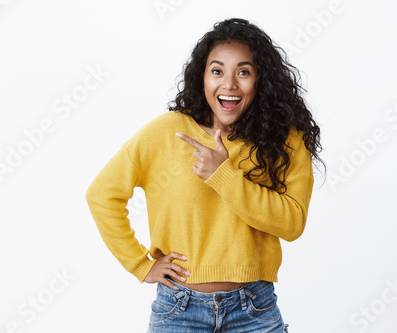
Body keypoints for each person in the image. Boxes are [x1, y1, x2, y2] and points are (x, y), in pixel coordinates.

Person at [85, 18, 325, 332]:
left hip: (253, 309)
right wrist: (140, 264)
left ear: (260, 80)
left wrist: (222, 174)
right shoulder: (167, 131)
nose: (229, 85)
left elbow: (292, 223)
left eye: (243, 71)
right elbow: (101, 195)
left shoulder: (284, 139)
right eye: (217, 71)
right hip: (179, 309)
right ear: (202, 78)